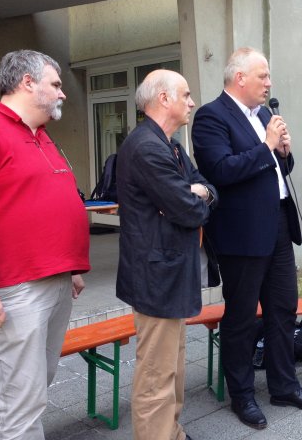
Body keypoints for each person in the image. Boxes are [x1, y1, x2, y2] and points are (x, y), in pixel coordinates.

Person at [0, 49, 90, 439]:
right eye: (56, 84)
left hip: (55, 281)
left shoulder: (40, 135)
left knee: (35, 391)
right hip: (14, 290)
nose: (62, 93)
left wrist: (69, 267)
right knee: (20, 405)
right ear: (27, 82)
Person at [191, 47, 302, 430]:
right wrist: (267, 146)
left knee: (283, 309)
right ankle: (243, 395)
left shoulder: (264, 115)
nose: (269, 83)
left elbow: (278, 168)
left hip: (279, 225)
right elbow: (221, 170)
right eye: (263, 76)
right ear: (240, 78)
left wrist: (284, 152)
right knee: (241, 317)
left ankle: (284, 385)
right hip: (242, 234)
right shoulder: (211, 117)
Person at [116, 69, 217, 440]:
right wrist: (192, 196)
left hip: (170, 275)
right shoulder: (147, 147)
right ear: (163, 99)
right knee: (156, 375)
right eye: (186, 95)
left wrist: (196, 192)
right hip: (156, 278)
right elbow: (189, 211)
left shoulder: (170, 144)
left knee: (171, 367)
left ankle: (171, 432)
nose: (192, 102)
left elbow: (206, 189)